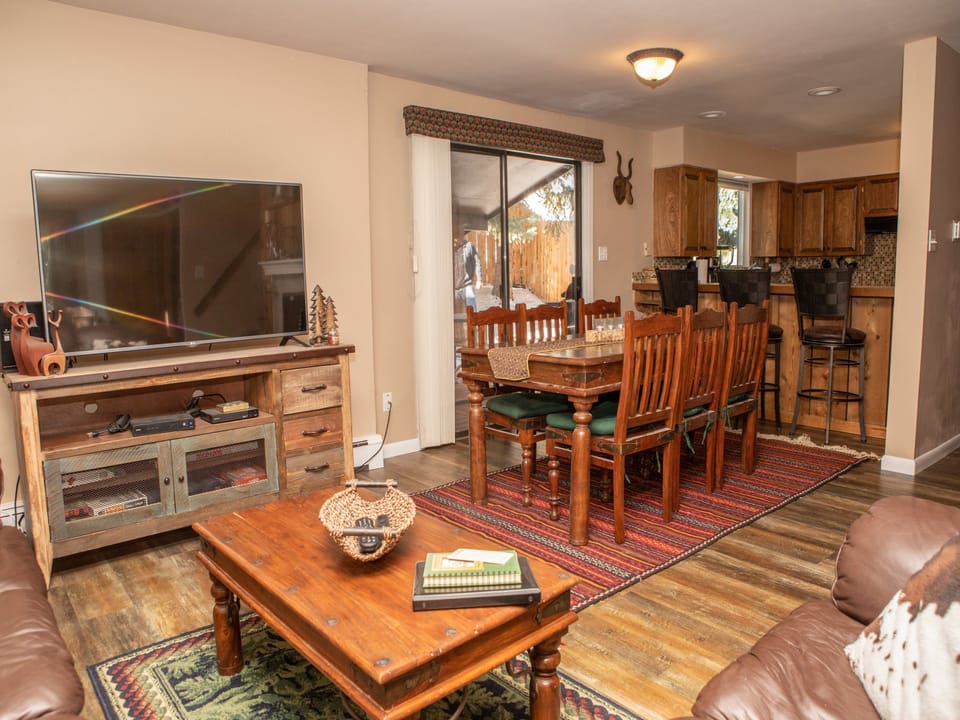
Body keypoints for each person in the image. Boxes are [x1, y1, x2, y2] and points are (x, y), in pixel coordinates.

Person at [458, 235, 482, 310]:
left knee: (472, 310)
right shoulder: (450, 246)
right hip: (454, 287)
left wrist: (479, 279)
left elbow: (477, 262)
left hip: (467, 284)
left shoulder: (469, 246)